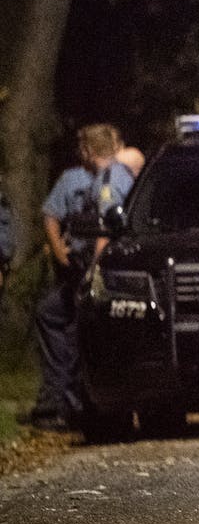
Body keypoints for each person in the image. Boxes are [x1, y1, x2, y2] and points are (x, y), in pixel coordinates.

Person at [28, 124, 137, 432]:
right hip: (82, 267)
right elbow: (52, 216)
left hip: (95, 268)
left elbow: (106, 228)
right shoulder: (84, 178)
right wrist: (62, 256)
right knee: (54, 316)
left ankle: (75, 403)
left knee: (82, 330)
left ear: (88, 151)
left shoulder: (112, 178)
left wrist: (93, 270)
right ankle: (65, 400)